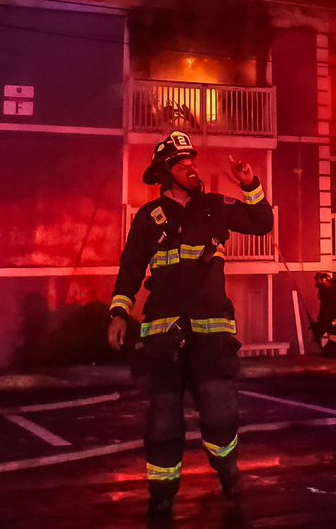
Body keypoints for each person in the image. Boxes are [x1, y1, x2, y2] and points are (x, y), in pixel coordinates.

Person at [107, 131, 273, 519]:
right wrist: (118, 312)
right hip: (162, 333)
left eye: (192, 162)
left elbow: (261, 222)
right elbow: (131, 267)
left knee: (219, 411)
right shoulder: (149, 218)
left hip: (212, 330)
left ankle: (227, 469)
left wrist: (249, 184)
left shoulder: (215, 206)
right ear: (165, 174)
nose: (191, 167)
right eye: (182, 164)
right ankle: (162, 493)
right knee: (163, 416)